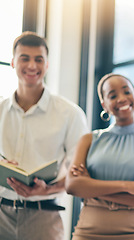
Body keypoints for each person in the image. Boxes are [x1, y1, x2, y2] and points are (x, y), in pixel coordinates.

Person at [0, 31, 89, 240]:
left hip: (44, 217)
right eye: (25, 58)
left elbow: (80, 172)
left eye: (38, 59)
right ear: (13, 62)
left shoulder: (70, 114)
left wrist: (46, 189)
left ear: (47, 65)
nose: (32, 66)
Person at [65, 73, 134, 240]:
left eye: (126, 92)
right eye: (112, 95)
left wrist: (91, 188)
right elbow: (72, 186)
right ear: (104, 105)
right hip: (88, 233)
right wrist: (130, 187)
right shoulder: (88, 140)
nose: (121, 98)